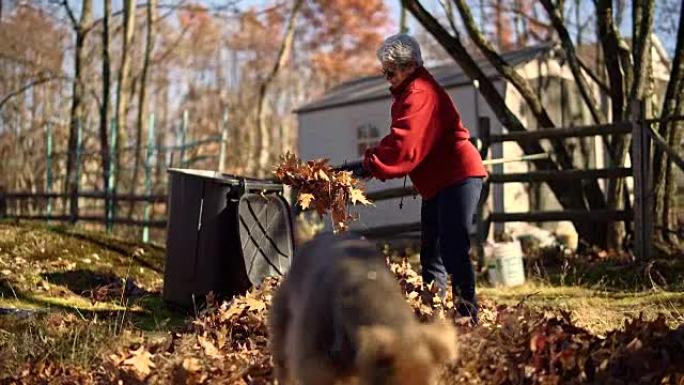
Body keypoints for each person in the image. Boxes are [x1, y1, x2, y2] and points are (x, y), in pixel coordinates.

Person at [358, 33, 487, 324]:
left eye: (391, 71)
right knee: (432, 253)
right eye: (384, 71)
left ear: (410, 66)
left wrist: (370, 164)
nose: (386, 77)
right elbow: (401, 138)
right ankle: (433, 315)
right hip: (439, 182)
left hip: (458, 175)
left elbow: (405, 146)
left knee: (453, 247)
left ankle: (467, 315)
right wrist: (372, 159)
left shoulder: (420, 93)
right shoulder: (409, 92)